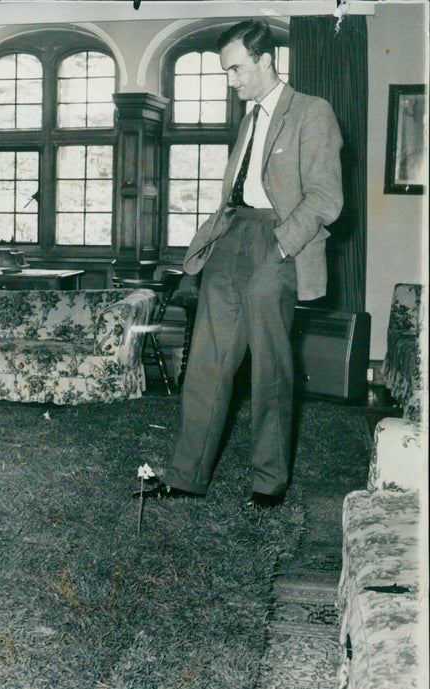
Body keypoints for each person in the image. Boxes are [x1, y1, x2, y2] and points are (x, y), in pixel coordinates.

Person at [150, 20, 344, 509]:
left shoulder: (311, 112)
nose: (231, 80)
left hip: (276, 241)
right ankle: (185, 475)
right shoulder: (248, 119)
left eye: (236, 68)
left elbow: (325, 198)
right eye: (226, 71)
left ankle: (268, 481)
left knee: (270, 368)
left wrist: (280, 247)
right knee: (207, 364)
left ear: (265, 60)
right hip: (232, 237)